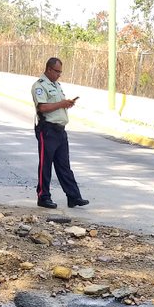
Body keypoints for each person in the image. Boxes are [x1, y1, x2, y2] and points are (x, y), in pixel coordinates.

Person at [31, 57, 89, 210]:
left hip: (60, 131)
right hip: (48, 130)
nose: (59, 75)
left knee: (64, 165)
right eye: (57, 71)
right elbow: (42, 107)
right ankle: (43, 197)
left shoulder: (56, 85)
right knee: (45, 165)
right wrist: (61, 104)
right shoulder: (40, 86)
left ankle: (73, 196)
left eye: (60, 72)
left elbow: (56, 105)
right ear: (49, 69)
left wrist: (66, 104)